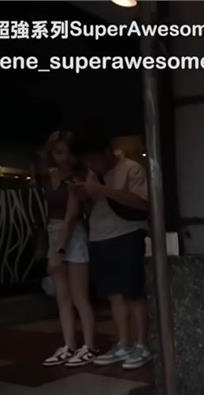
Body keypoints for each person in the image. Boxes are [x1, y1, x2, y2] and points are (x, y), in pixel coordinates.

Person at [72, 131, 153, 370]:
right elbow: (91, 204)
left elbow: (143, 203)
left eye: (93, 159)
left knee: (133, 292)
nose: (90, 164)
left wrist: (103, 189)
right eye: (86, 160)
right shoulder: (92, 174)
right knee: (113, 294)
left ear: (107, 152)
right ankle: (123, 343)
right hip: (99, 236)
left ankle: (142, 344)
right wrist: (83, 195)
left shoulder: (131, 169)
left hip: (127, 234)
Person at [41, 131, 97, 367]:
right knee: (62, 297)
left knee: (78, 296)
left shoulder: (77, 178)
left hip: (73, 236)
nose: (64, 158)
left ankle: (89, 345)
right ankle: (69, 344)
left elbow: (72, 215)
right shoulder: (49, 177)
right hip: (55, 233)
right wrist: (53, 248)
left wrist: (59, 249)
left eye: (68, 152)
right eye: (58, 152)